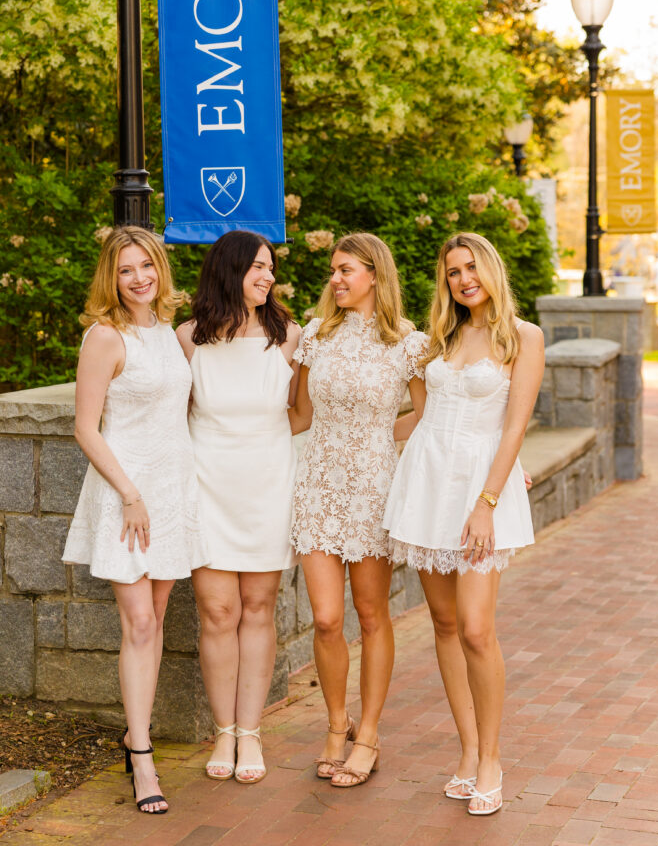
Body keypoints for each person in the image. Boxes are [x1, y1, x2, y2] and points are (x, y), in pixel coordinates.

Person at [383, 232, 544, 816]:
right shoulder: (434, 340)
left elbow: (514, 427)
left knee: (477, 628)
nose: (463, 278)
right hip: (428, 484)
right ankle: (469, 751)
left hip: (481, 489)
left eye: (472, 267)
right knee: (446, 624)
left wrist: (489, 501)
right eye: (453, 272)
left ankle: (494, 758)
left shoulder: (523, 338)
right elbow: (418, 416)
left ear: (491, 271)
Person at [62, 226, 209, 815]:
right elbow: (84, 427)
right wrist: (128, 493)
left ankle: (134, 734)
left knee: (157, 620)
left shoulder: (174, 336)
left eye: (146, 265)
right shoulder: (105, 337)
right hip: (127, 495)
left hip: (172, 491)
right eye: (126, 270)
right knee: (140, 623)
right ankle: (142, 756)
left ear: (160, 270)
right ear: (111, 277)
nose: (139, 278)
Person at [288, 232, 427, 788]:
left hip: (373, 488)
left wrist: (375, 437)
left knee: (371, 616)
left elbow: (426, 413)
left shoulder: (408, 343)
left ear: (375, 274)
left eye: (347, 270)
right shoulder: (314, 336)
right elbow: (296, 415)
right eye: (333, 271)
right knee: (325, 618)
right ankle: (335, 724)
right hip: (318, 485)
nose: (336, 280)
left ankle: (367, 733)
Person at [176, 230, 300, 785]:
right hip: (208, 485)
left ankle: (250, 734)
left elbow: (302, 414)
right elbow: (174, 416)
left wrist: (263, 445)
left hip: (268, 484)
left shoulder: (288, 336)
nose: (268, 276)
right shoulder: (187, 339)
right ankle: (223, 730)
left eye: (270, 267)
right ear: (228, 271)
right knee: (218, 612)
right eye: (256, 267)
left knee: (258, 606)